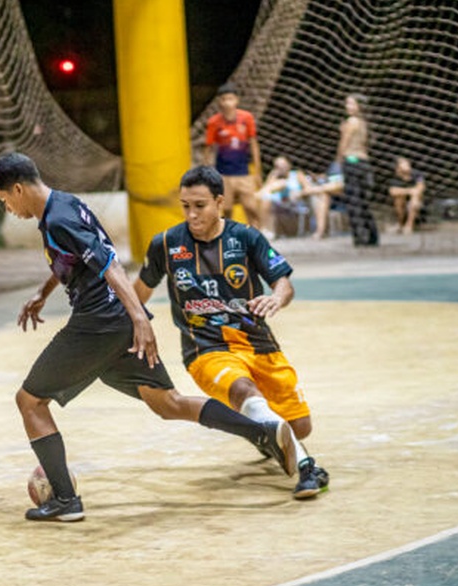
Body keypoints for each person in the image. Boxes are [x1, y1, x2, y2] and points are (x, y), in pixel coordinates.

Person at [0, 152, 302, 523]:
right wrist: (43, 293)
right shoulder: (65, 204)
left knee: (30, 401)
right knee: (167, 403)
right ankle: (263, 432)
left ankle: (65, 500)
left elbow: (107, 260)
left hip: (99, 323)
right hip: (116, 322)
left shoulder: (57, 218)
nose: (8, 207)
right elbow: (73, 261)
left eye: (5, 199)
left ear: (19, 188)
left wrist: (139, 316)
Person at [134, 165, 330, 500]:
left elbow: (283, 283)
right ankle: (309, 467)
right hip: (204, 348)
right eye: (186, 206)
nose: (192, 214)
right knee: (243, 390)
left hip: (258, 342)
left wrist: (276, 298)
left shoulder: (246, 237)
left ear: (219, 202)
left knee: (300, 427)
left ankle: (261, 432)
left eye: (200, 205)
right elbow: (138, 293)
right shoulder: (166, 244)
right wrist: (124, 324)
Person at [204, 83, 265, 235]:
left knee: (251, 207)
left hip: (244, 172)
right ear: (219, 102)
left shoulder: (246, 118)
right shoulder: (214, 122)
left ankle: (257, 239)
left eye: (230, 99)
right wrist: (207, 174)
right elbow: (209, 148)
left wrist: (257, 171)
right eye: (224, 99)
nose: (227, 103)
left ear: (236, 100)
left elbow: (253, 144)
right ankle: (226, 241)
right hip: (223, 173)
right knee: (226, 210)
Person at [337, 93, 379, 246]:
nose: (347, 106)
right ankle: (372, 236)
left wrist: (339, 161)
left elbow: (344, 143)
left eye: (351, 103)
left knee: (353, 202)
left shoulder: (351, 121)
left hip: (352, 161)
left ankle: (360, 237)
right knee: (362, 201)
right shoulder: (364, 123)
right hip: (364, 163)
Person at [258, 155, 311, 237]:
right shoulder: (274, 177)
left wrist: (299, 193)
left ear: (289, 165)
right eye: (278, 166)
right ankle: (264, 229)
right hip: (279, 204)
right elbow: (265, 191)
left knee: (277, 187)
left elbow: (308, 188)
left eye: (283, 165)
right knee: (265, 198)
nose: (281, 168)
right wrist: (273, 177)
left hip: (295, 202)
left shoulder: (297, 174)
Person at [302, 161, 344, 239]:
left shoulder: (345, 166)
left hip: (346, 195)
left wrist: (316, 189)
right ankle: (320, 230)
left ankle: (320, 230)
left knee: (321, 193)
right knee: (323, 196)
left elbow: (340, 185)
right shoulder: (333, 167)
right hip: (331, 198)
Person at [388, 157, 426, 234]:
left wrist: (413, 192)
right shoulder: (395, 177)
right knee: (399, 198)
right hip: (402, 202)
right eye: (403, 164)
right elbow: (392, 191)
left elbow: (421, 187)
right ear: (398, 168)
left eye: (407, 163)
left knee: (415, 197)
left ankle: (409, 225)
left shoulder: (417, 174)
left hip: (417, 201)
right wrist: (409, 191)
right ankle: (400, 224)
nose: (407, 165)